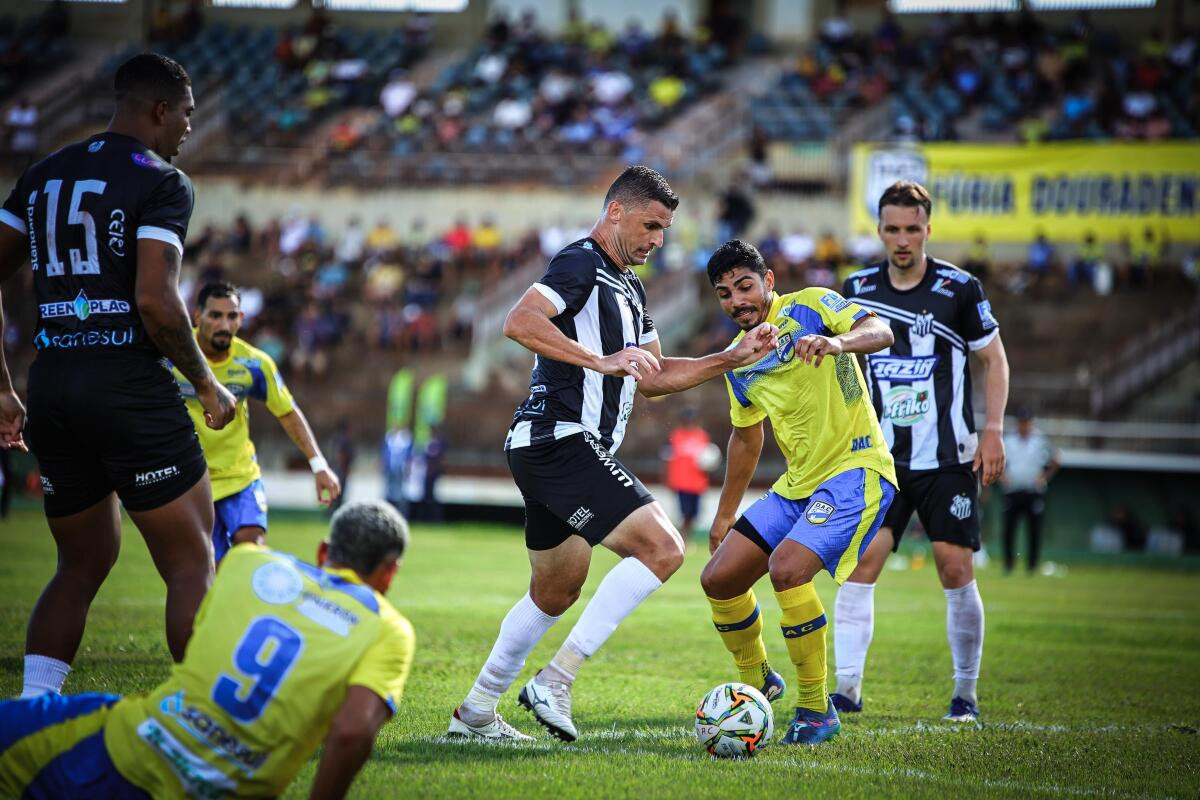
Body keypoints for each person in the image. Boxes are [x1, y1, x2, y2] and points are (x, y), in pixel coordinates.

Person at [446, 166, 777, 743]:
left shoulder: (631, 286)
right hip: (559, 437)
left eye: (666, 229)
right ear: (616, 211)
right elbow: (519, 321)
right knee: (664, 548)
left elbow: (653, 377)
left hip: (557, 447)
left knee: (555, 591)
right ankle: (556, 679)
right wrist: (598, 360)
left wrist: (732, 357)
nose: (658, 240)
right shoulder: (581, 263)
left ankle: (475, 713)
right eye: (651, 225)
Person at [0, 54, 237, 697]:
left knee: (79, 564)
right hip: (128, 388)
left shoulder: (43, 172)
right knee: (192, 563)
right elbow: (157, 302)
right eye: (186, 114)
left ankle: (32, 708)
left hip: (52, 384)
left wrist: (1, 384)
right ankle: (198, 719)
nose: (188, 128)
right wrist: (207, 384)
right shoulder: (163, 181)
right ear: (161, 109)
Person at [0, 499, 415, 800]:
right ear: (391, 572)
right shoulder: (389, 630)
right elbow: (352, 730)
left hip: (129, 744)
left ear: (325, 550)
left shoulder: (248, 563)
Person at [700, 240, 897, 745]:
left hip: (857, 468)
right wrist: (724, 516)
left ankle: (816, 708)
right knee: (719, 580)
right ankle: (757, 685)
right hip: (798, 485)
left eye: (745, 286)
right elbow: (747, 436)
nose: (737, 300)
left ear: (768, 282)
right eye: (724, 293)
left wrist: (837, 343)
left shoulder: (812, 304)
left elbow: (881, 330)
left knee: (786, 568)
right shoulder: (739, 359)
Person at [837, 180, 1009, 722]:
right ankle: (846, 690)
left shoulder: (961, 288)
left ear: (928, 229)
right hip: (880, 459)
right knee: (861, 563)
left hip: (947, 458)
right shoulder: (857, 286)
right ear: (880, 230)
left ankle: (965, 696)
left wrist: (995, 429)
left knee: (953, 566)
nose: (903, 238)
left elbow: (994, 360)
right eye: (893, 228)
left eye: (913, 229)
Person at [173, 281, 340, 561]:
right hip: (192, 481)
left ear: (241, 319)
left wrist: (319, 465)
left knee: (251, 550)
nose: (224, 324)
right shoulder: (171, 356)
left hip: (241, 477)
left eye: (232, 316)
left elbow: (287, 412)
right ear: (198, 316)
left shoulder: (254, 364)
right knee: (207, 566)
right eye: (215, 315)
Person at [1001, 406, 1059, 574]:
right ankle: (1008, 565)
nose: (1023, 425)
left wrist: (1044, 477)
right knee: (1009, 530)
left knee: (1034, 530)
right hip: (1013, 490)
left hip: (1033, 491)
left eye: (1026, 422)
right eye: (1021, 422)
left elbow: (1056, 459)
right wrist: (1002, 477)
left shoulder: (1040, 440)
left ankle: (1032, 566)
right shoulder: (1008, 439)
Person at [662, 407, 712, 540]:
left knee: (694, 514)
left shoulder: (703, 436)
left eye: (692, 421)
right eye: (687, 421)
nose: (689, 424)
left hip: (698, 483)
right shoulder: (675, 436)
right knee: (685, 513)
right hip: (681, 481)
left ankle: (685, 537)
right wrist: (666, 479)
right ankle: (682, 538)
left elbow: (708, 459)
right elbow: (667, 459)